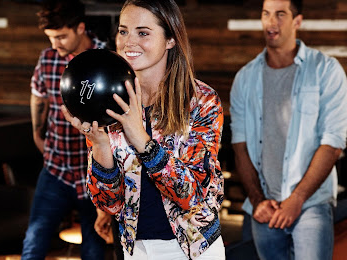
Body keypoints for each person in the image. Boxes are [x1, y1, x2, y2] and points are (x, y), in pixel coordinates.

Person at [62, 0, 226, 259]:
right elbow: (110, 204)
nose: (129, 42)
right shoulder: (109, 100)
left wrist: (142, 139)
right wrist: (101, 145)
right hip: (135, 249)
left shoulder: (201, 101)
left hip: (192, 249)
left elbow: (192, 196)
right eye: (124, 31)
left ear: (170, 39)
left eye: (143, 33)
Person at [230, 0, 347, 259]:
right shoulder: (245, 79)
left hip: (311, 206)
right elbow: (240, 145)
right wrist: (258, 200)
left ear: (297, 21)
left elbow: (333, 141)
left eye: (280, 14)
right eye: (266, 14)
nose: (272, 22)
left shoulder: (325, 71)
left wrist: (297, 199)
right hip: (265, 209)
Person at [21, 0, 109, 259]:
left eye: (60, 37)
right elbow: (38, 94)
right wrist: (37, 133)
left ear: (80, 28)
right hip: (56, 169)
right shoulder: (48, 58)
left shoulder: (106, 58)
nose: (54, 44)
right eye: (50, 38)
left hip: (93, 171)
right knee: (33, 243)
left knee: (94, 250)